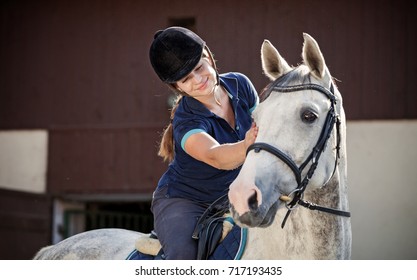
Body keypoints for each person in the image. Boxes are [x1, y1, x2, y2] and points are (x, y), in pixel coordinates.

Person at [149, 26, 259, 259]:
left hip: (233, 195)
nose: (198, 80)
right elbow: (215, 156)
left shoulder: (241, 85)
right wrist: (247, 144)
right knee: (183, 257)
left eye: (199, 68)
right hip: (185, 201)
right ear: (177, 87)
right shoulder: (186, 119)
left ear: (208, 56)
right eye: (186, 79)